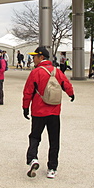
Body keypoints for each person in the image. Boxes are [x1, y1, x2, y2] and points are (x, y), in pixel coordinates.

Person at [22, 47, 74, 179]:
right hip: (54, 111)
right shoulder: (56, 71)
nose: (33, 59)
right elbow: (66, 84)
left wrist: (25, 107)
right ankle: (52, 168)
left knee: (35, 136)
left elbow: (28, 91)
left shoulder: (36, 72)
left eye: (34, 56)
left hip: (38, 111)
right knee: (54, 139)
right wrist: (71, 94)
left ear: (41, 57)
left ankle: (33, 158)